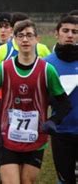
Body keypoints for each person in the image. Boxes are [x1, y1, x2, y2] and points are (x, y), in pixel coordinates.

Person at [0, 20, 70, 184]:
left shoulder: (47, 70)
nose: (25, 40)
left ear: (37, 39)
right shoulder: (4, 68)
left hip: (36, 138)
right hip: (7, 137)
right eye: (21, 36)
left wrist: (53, 121)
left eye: (29, 35)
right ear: (15, 40)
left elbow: (64, 103)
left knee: (27, 181)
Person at [44, 15, 78, 184]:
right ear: (57, 34)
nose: (70, 35)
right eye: (65, 31)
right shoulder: (45, 64)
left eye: (75, 32)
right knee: (65, 180)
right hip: (61, 133)